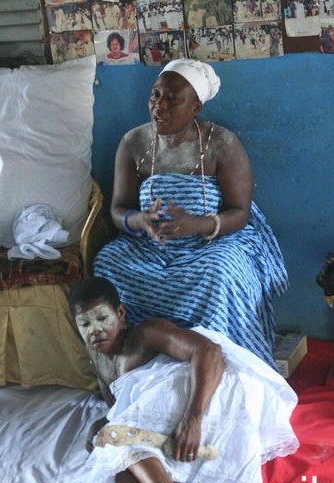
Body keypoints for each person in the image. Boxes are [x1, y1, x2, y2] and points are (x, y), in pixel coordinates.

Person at [69, 278, 299, 483]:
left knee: (121, 436)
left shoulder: (144, 335)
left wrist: (194, 418)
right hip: (160, 413)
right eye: (84, 323)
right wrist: (100, 430)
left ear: (121, 314)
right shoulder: (97, 359)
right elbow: (119, 411)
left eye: (102, 318)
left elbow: (208, 352)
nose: (94, 329)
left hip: (207, 388)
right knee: (115, 462)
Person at [93, 59, 289, 368]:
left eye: (173, 98)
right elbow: (118, 209)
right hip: (150, 246)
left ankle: (218, 360)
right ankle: (135, 358)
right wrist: (138, 221)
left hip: (210, 243)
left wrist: (197, 224)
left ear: (196, 107)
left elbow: (241, 212)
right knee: (108, 262)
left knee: (223, 271)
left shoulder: (221, 143)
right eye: (156, 95)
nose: (160, 105)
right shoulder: (134, 143)